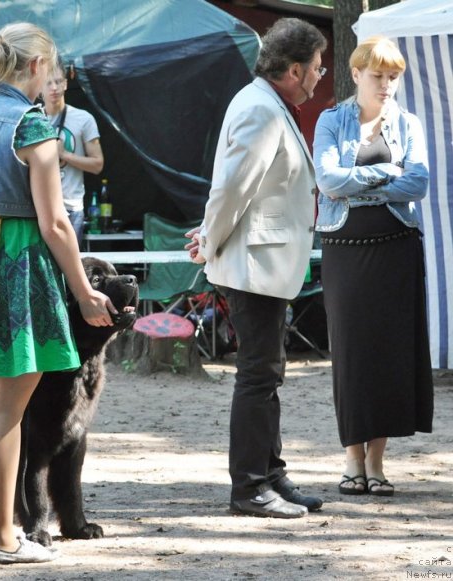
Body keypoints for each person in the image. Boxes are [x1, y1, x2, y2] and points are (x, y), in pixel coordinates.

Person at [0, 23, 116, 564]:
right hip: (18, 263)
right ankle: (3, 538)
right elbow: (56, 223)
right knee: (5, 412)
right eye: (52, 69)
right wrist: (84, 291)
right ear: (37, 66)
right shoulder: (32, 124)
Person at [185, 18, 327, 518]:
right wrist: (208, 240)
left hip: (265, 263)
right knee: (257, 376)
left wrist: (208, 236)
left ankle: (271, 474)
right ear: (293, 69)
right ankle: (249, 488)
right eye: (315, 66)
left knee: (267, 373)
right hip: (254, 264)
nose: (320, 73)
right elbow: (231, 188)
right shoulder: (260, 108)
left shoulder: (268, 103)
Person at [313, 36, 433, 497]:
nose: (386, 85)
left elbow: (419, 182)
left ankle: (377, 463)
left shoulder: (409, 123)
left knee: (389, 354)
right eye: (378, 75)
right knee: (351, 352)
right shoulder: (331, 120)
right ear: (357, 74)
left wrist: (358, 184)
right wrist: (387, 175)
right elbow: (328, 181)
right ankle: (352, 458)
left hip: (397, 248)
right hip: (345, 249)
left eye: (393, 77)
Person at [42, 59, 104, 245]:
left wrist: (64, 155)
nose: (54, 88)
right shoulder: (32, 118)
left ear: (66, 84)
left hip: (71, 206)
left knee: (69, 268)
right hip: (40, 207)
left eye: (58, 81)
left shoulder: (83, 119)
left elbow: (97, 164)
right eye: (48, 82)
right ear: (39, 87)